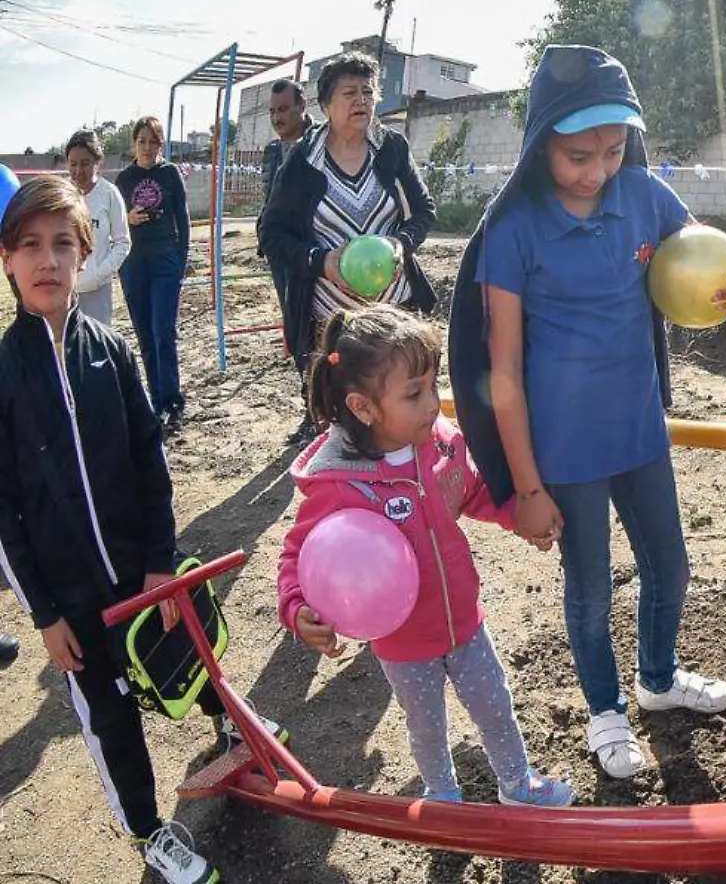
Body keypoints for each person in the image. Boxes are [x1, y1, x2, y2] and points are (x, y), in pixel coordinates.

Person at [449, 45, 726, 779]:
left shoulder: (646, 196)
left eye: (614, 148)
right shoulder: (514, 231)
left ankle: (657, 683)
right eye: (576, 155)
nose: (597, 170)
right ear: (541, 148)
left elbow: (714, 258)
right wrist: (526, 488)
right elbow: (500, 371)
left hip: (639, 433)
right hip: (563, 452)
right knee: (590, 586)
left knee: (671, 563)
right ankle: (605, 711)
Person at [0, 176, 283, 884]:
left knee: (188, 651)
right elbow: (4, 511)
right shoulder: (2, 373)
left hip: (141, 566)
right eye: (29, 245)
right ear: (6, 259)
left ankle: (235, 729)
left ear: (86, 252)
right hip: (72, 597)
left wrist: (162, 563)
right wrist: (44, 614)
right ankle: (148, 830)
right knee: (112, 720)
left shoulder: (112, 351)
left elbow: (149, 463)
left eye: (63, 243)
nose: (47, 260)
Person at [278, 306, 574, 808]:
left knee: (495, 707)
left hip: (464, 620)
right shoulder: (339, 485)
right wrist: (297, 608)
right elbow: (298, 555)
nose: (432, 404)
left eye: (433, 385)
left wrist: (516, 517)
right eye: (414, 393)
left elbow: (471, 491)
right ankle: (442, 795)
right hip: (403, 642)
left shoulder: (439, 444)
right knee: (426, 725)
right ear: (363, 406)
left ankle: (518, 784)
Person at [258, 51, 437, 391]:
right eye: (349, 93)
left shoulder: (391, 148)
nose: (361, 101)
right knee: (344, 408)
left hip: (393, 311)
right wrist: (321, 261)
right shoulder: (303, 161)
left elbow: (424, 210)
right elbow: (272, 234)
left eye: (368, 92)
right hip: (332, 319)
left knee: (393, 400)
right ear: (325, 104)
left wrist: (402, 243)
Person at [117, 116, 191, 435]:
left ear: (161, 144)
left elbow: (183, 218)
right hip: (133, 264)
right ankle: (156, 399)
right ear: (134, 143)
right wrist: (127, 218)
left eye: (153, 141)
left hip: (165, 262)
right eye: (142, 141)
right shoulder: (124, 178)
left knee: (164, 331)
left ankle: (172, 400)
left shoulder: (170, 173)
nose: (147, 147)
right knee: (145, 335)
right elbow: (114, 224)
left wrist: (181, 258)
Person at [66, 128, 132, 327]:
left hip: (97, 290)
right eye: (73, 164)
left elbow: (123, 242)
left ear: (97, 162)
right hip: (65, 290)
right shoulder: (63, 194)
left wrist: (99, 274)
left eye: (85, 163)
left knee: (96, 349)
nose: (78, 171)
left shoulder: (109, 194)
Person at [260, 79, 311, 209]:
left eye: (283, 110)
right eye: (272, 112)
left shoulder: (325, 142)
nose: (276, 118)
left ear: (302, 105)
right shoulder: (272, 151)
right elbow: (269, 202)